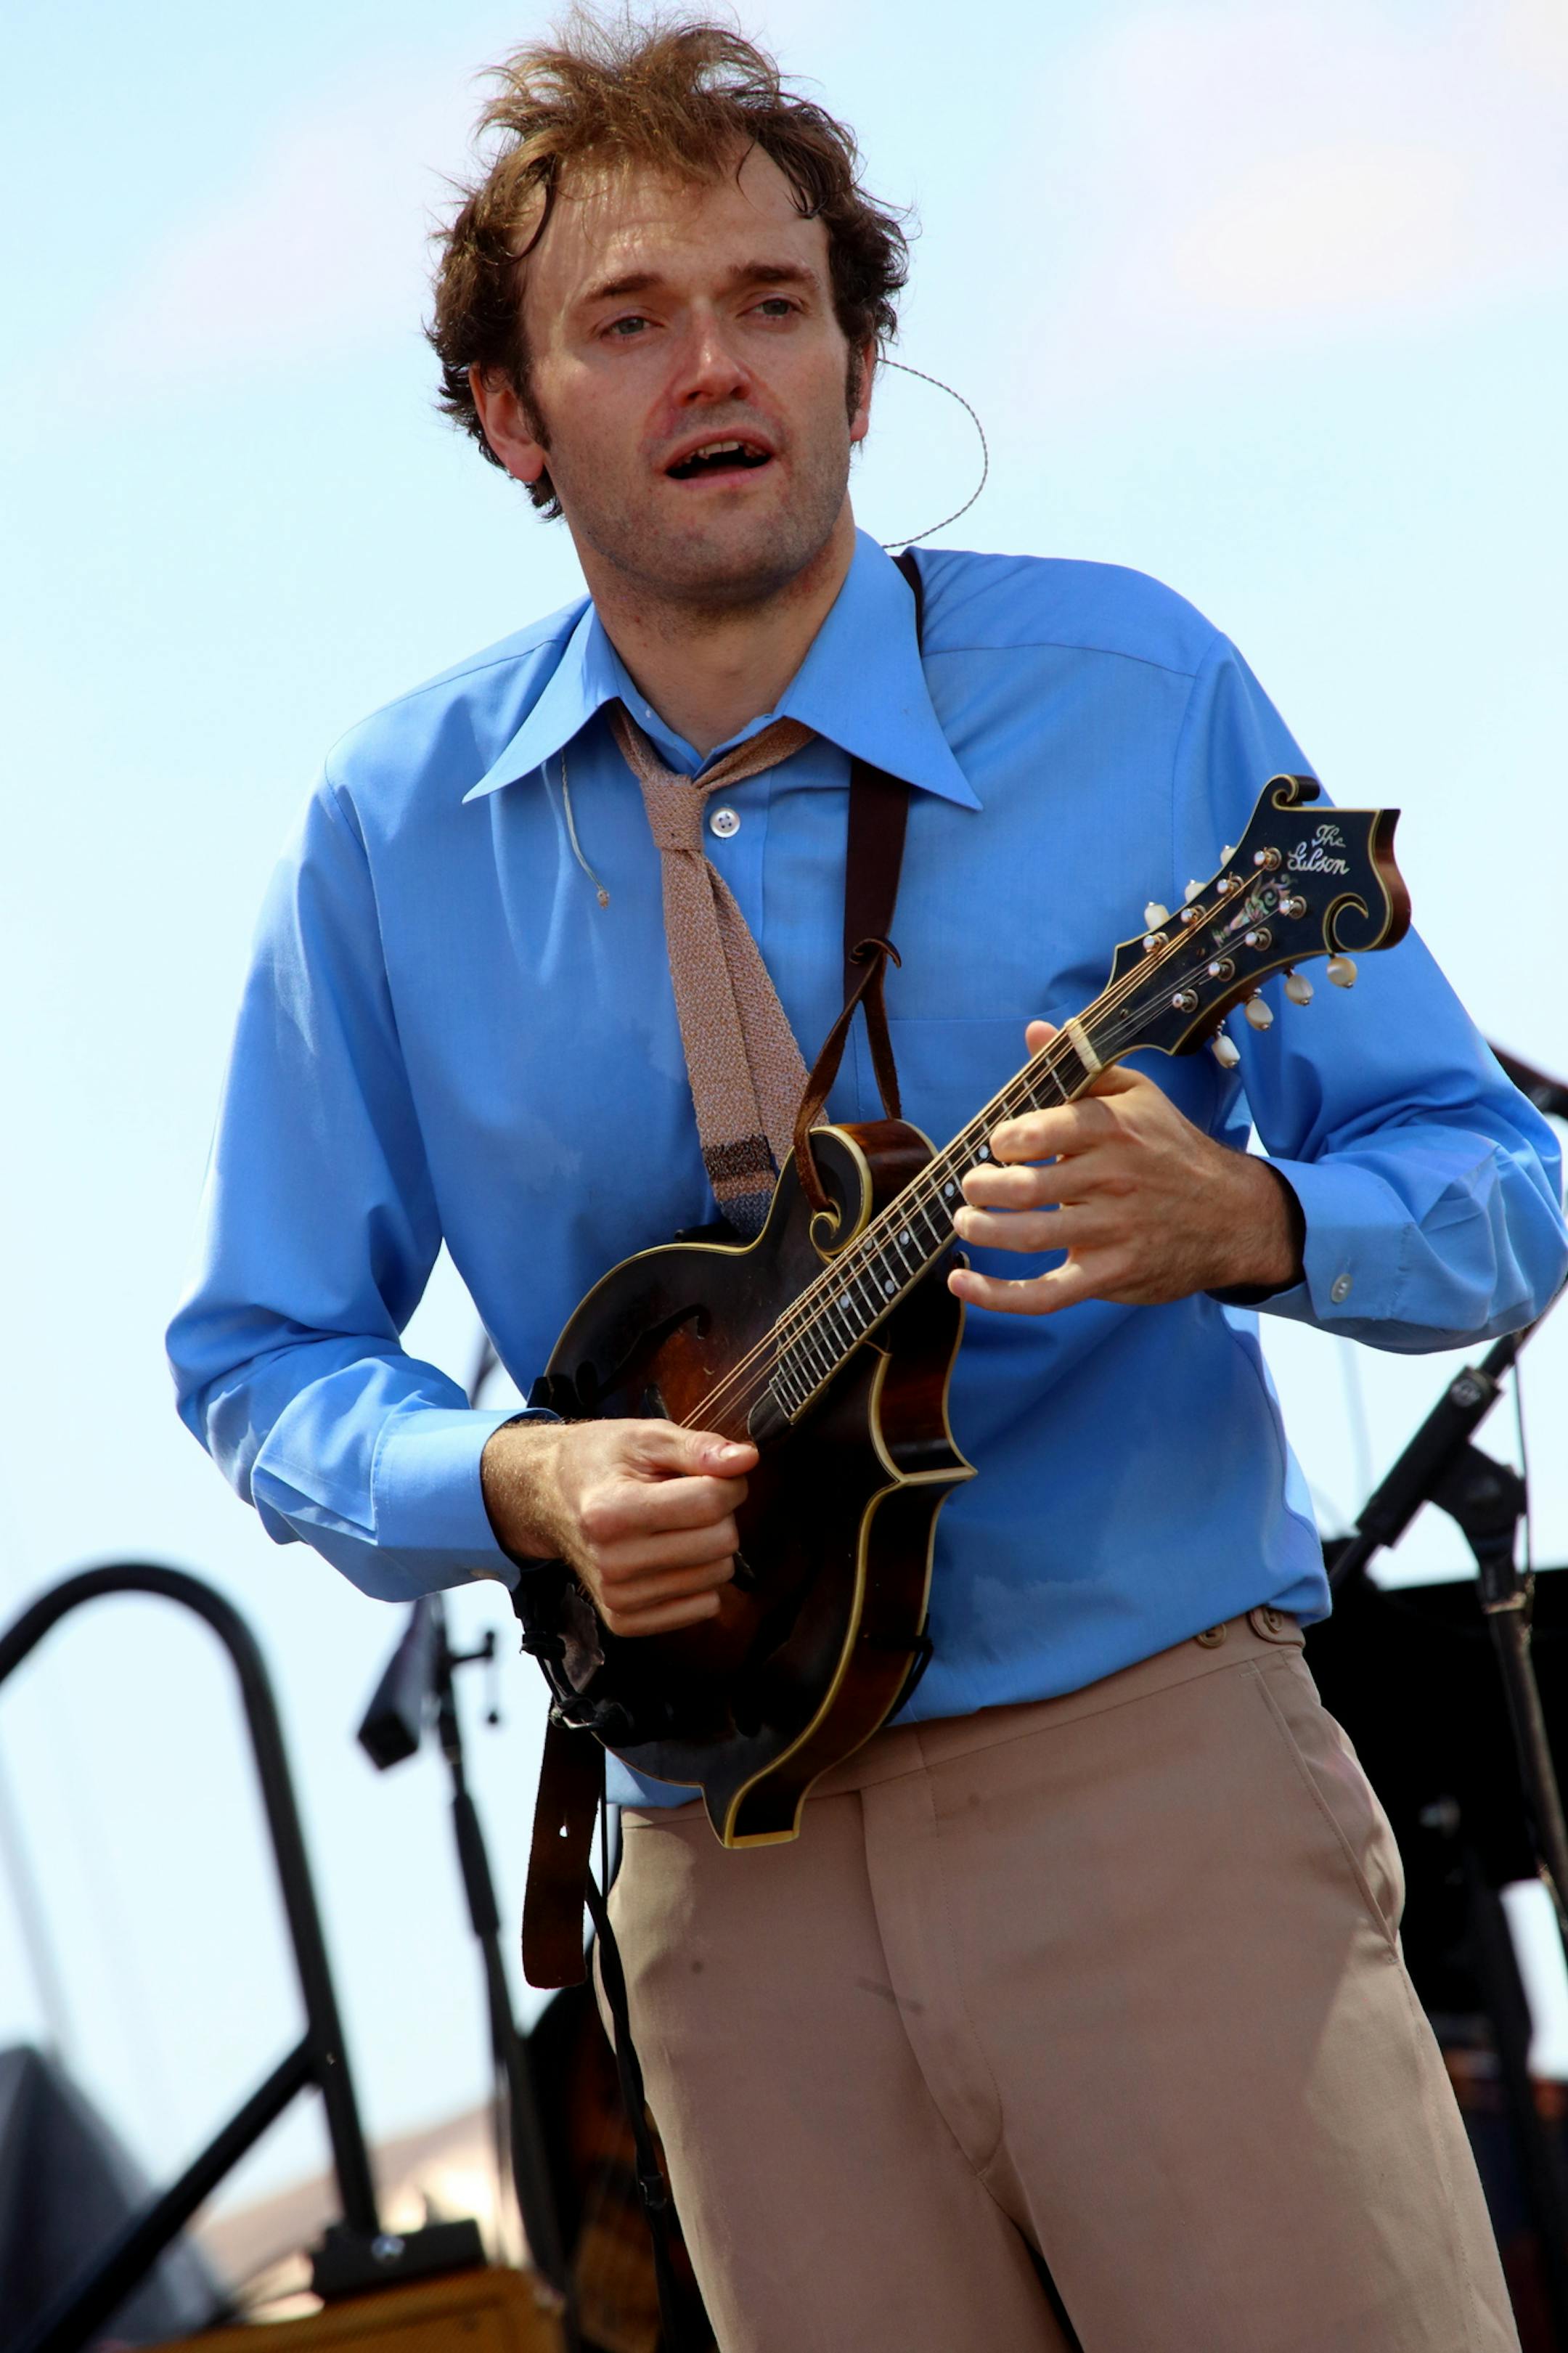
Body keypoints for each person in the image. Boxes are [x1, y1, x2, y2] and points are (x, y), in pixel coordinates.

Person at [168, 20, 1566, 2352]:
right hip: (726, 1894)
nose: (718, 364)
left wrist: (1261, 1222)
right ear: (514, 421)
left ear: (858, 355)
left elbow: (1495, 1180)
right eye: (629, 323)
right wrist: (509, 1473)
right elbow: (260, 1353)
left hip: (1159, 1798)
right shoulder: (386, 833)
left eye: (774, 301)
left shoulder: (1136, 686)